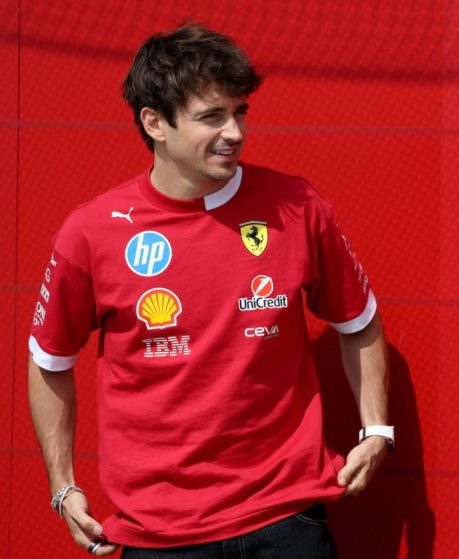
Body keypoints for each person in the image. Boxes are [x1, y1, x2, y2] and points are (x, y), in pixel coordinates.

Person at [28, 24, 392, 558]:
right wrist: (63, 487)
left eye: (239, 112)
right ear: (155, 122)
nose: (234, 132)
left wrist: (377, 428)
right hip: (159, 533)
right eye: (211, 117)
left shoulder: (297, 205)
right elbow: (49, 360)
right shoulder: (92, 232)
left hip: (287, 517)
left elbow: (358, 321)